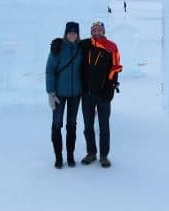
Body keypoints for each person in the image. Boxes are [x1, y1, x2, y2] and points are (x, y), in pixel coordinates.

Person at [79, 21, 122, 168]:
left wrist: (110, 85)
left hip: (104, 93)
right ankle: (91, 153)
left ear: (103, 31)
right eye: (94, 30)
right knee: (88, 125)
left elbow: (115, 67)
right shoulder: (85, 44)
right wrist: (58, 43)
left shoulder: (112, 46)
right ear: (91, 31)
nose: (97, 32)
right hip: (87, 93)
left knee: (104, 126)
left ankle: (104, 155)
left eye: (100, 30)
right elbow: (70, 45)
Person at [46, 21, 83, 169]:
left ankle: (70, 155)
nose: (72, 35)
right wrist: (50, 92)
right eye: (70, 32)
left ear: (78, 34)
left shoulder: (81, 48)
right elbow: (50, 70)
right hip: (59, 94)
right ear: (66, 33)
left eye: (75, 33)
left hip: (76, 94)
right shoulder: (58, 48)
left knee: (72, 125)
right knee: (57, 124)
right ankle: (58, 157)